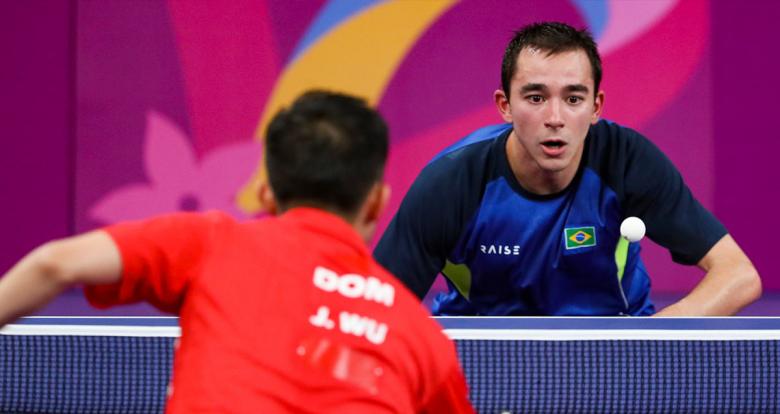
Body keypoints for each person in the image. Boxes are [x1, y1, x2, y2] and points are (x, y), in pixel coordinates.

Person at [0, 91, 474, 413]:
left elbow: (55, 264)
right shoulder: (421, 337)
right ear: (376, 203)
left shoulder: (211, 244)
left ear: (266, 194)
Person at [374, 22, 761, 317]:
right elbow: (376, 306)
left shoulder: (626, 160)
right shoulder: (454, 182)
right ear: (504, 105)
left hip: (616, 357)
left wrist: (652, 342)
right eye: (536, 97)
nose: (555, 117)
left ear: (596, 106)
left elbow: (738, 274)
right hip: (485, 360)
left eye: (573, 98)